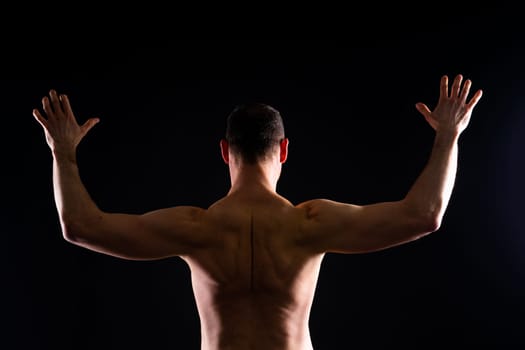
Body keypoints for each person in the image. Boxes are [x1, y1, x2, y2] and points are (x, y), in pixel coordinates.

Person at [33, 74, 482, 350]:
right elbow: (424, 214)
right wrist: (449, 136)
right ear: (284, 150)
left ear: (224, 151)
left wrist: (64, 154)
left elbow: (80, 226)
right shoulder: (309, 224)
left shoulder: (197, 228)